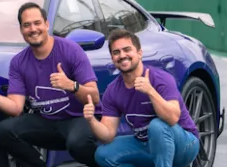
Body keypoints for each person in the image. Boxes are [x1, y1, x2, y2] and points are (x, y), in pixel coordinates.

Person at [0, 2, 100, 167]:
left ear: (46, 24)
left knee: (77, 143)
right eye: (27, 25)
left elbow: (94, 98)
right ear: (22, 30)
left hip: (80, 118)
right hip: (48, 122)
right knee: (5, 131)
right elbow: (15, 108)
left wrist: (72, 85)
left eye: (37, 23)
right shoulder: (18, 62)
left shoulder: (70, 50)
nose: (33, 29)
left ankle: (105, 164)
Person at [83, 30, 199, 167]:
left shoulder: (161, 79)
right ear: (112, 58)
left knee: (157, 126)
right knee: (103, 154)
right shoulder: (113, 91)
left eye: (127, 50)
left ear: (139, 53)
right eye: (116, 52)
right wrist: (91, 120)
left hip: (184, 144)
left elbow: (173, 118)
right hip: (145, 144)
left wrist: (150, 91)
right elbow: (107, 135)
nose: (122, 55)